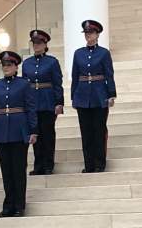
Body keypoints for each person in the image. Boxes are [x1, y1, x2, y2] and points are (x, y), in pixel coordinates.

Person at [0, 50, 38, 217]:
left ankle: (19, 205)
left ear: (16, 67)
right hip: (2, 132)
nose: (6, 67)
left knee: (18, 170)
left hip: (19, 130)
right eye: (4, 65)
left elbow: (31, 108)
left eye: (9, 65)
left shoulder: (24, 84)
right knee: (6, 171)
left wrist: (33, 130)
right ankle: (8, 204)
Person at [71, 19, 117, 173]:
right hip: (82, 95)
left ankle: (99, 163)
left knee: (99, 130)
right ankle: (89, 164)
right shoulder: (78, 53)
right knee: (86, 131)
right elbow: (75, 76)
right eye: (86, 33)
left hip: (99, 95)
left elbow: (109, 74)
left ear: (97, 34)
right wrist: (73, 97)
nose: (88, 35)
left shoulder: (103, 53)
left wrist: (111, 94)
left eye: (91, 32)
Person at [23, 29, 63, 176]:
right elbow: (24, 86)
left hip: (47, 101)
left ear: (45, 44)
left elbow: (57, 83)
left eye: (39, 43)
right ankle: (38, 165)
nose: (36, 45)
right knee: (35, 133)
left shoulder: (52, 62)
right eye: (34, 43)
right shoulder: (27, 63)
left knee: (47, 134)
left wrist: (59, 102)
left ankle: (48, 164)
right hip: (33, 102)